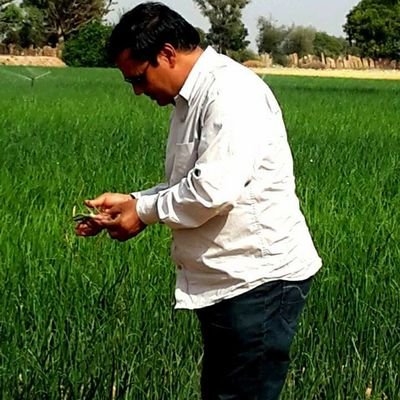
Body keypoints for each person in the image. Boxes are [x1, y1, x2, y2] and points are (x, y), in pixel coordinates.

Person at [75, 2, 322, 399]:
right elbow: (193, 180)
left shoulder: (230, 93)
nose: (138, 91)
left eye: (138, 78)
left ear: (168, 53)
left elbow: (211, 192)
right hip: (229, 280)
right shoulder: (190, 99)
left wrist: (143, 212)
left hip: (256, 279)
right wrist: (135, 201)